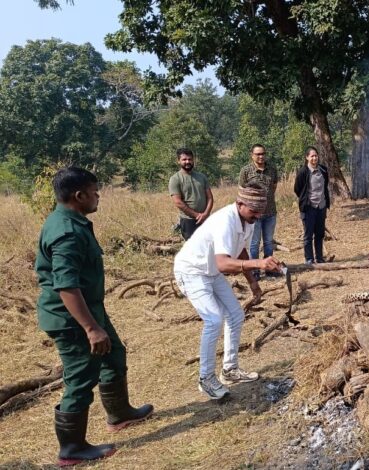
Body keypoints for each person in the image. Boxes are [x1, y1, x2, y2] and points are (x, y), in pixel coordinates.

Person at [35, 167, 153, 467]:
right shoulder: (66, 232)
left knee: (114, 355)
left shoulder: (71, 220)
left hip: (90, 310)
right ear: (79, 195)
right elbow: (65, 284)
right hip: (73, 320)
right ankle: (72, 448)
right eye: (95, 190)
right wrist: (90, 328)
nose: (98, 195)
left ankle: (120, 413)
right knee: (80, 377)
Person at [174, 187, 281, 400]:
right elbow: (223, 263)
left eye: (261, 211)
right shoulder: (226, 220)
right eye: (254, 210)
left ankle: (230, 370)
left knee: (235, 315)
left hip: (210, 272)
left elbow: (241, 250)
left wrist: (252, 283)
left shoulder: (247, 221)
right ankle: (206, 379)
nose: (258, 215)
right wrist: (259, 262)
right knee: (213, 319)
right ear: (240, 204)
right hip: (192, 270)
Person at [239, 144, 280, 276]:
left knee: (268, 242)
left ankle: (270, 269)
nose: (261, 156)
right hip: (253, 215)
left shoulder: (272, 169)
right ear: (252, 155)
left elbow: (273, 188)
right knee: (254, 243)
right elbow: (241, 190)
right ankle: (255, 271)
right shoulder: (246, 171)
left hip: (270, 212)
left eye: (263, 153)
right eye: (258, 154)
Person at [294, 146, 330, 264]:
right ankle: (309, 259)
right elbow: (297, 189)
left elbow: (325, 186)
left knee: (319, 234)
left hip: (321, 206)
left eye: (316, 155)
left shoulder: (323, 170)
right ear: (307, 157)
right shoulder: (303, 172)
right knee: (308, 235)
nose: (314, 158)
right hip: (309, 207)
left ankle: (319, 258)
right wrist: (305, 199)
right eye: (312, 156)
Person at [169, 148, 213, 240]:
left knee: (207, 245)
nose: (187, 161)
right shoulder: (175, 179)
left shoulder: (202, 177)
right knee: (192, 248)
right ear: (178, 161)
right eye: (184, 159)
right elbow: (178, 202)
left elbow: (210, 198)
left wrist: (205, 214)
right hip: (188, 220)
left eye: (190, 159)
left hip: (205, 219)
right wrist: (197, 215)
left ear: (193, 160)